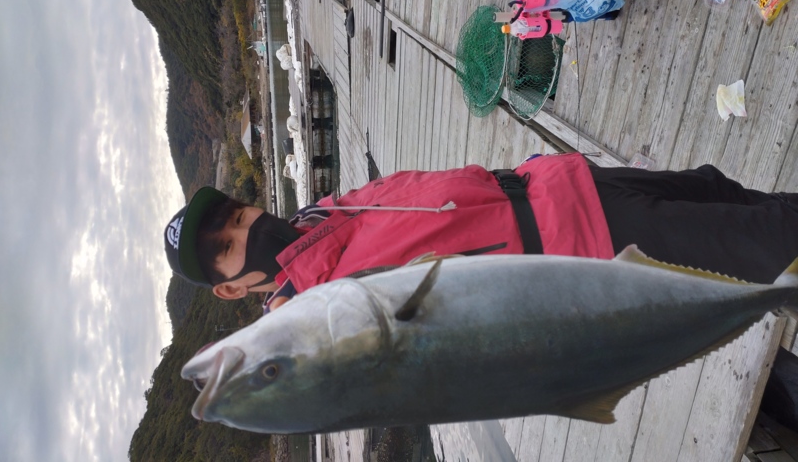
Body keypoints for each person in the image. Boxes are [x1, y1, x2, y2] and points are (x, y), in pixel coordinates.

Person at [164, 153, 798, 312]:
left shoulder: (324, 212)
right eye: (226, 247)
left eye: (232, 213)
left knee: (721, 190)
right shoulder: (323, 314)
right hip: (592, 252)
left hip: (564, 184)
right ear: (228, 288)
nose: (243, 226)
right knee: (774, 241)